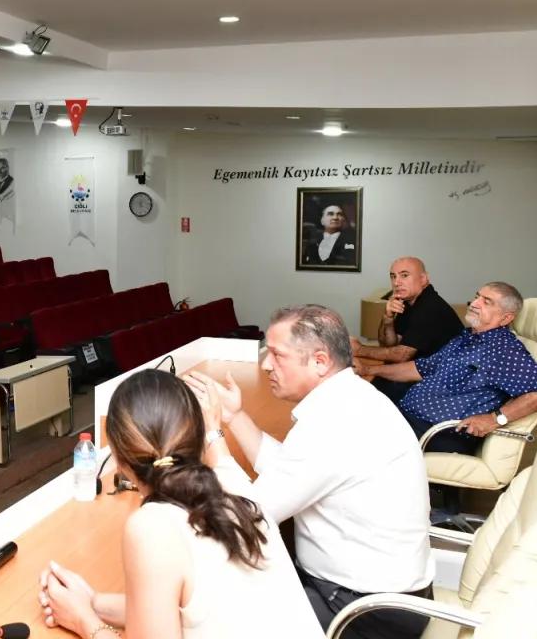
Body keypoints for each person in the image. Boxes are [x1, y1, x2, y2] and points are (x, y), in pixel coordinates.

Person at [184, 305, 433, 639]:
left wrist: (213, 432)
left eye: (277, 355)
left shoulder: (333, 423)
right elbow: (289, 467)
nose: (266, 364)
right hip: (375, 594)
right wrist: (235, 416)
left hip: (363, 611)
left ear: (319, 362)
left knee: (207, 615)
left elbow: (247, 516)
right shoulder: (350, 398)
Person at [37, 370, 322, 639]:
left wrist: (84, 620)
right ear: (199, 441)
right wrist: (93, 602)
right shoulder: (234, 484)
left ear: (119, 460)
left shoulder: (151, 526)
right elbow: (169, 607)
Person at [358, 283, 537, 512]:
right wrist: (368, 369)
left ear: (506, 318)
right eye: (477, 297)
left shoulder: (504, 350)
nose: (475, 303)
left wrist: (495, 419)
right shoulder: (467, 337)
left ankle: (363, 510)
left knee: (354, 432)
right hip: (413, 417)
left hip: (438, 432)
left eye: (487, 302)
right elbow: (420, 368)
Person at [351, 257, 464, 403]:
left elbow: (401, 355)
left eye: (404, 275)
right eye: (393, 276)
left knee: (362, 393)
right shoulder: (409, 302)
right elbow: (388, 345)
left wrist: (359, 349)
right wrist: (387, 317)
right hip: (413, 370)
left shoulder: (431, 307)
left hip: (440, 381)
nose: (396, 283)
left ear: (423, 279)